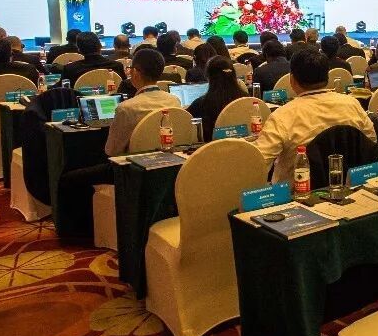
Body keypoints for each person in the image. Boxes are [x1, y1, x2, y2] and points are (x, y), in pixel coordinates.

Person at [56, 49, 181, 240]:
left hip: (129, 171)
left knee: (69, 179)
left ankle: (77, 234)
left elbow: (111, 151)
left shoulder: (126, 107)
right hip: (166, 166)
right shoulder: (174, 100)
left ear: (136, 72)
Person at [253, 46, 375, 180]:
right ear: (327, 78)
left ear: (292, 80)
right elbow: (371, 141)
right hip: (350, 185)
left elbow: (258, 164)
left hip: (297, 190)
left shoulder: (282, 116)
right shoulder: (352, 103)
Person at [188, 57, 248, 142]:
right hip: (245, 146)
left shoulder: (200, 104)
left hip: (212, 148)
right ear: (234, 75)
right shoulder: (246, 99)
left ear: (208, 77)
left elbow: (185, 124)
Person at [60, 33, 126, 87]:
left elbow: (62, 90)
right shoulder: (117, 66)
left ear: (79, 50)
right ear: (100, 46)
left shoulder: (70, 69)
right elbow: (124, 87)